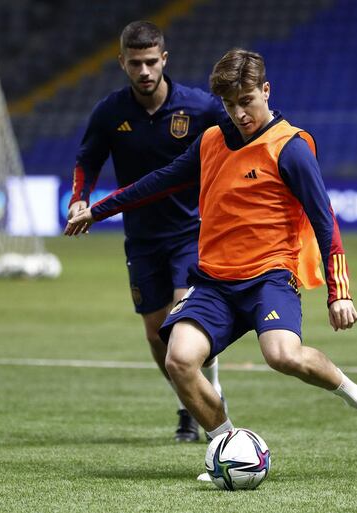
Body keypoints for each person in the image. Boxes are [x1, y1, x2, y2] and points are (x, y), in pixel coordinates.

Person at [66, 48, 357, 471]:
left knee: (282, 355)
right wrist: (95, 210)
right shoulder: (211, 140)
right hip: (214, 283)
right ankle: (229, 449)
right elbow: (158, 182)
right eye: (230, 104)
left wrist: (340, 293)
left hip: (269, 278)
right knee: (178, 359)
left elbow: (326, 223)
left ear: (266, 91)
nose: (240, 113)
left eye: (247, 101)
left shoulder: (291, 147)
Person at [67, 21, 229, 442]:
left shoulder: (200, 108)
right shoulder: (110, 112)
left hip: (192, 234)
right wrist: (78, 198)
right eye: (135, 63)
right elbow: (87, 159)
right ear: (122, 62)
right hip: (141, 239)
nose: (144, 71)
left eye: (151, 62)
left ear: (165, 60)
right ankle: (188, 401)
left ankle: (211, 399)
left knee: (183, 322)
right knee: (157, 335)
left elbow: (237, 136)